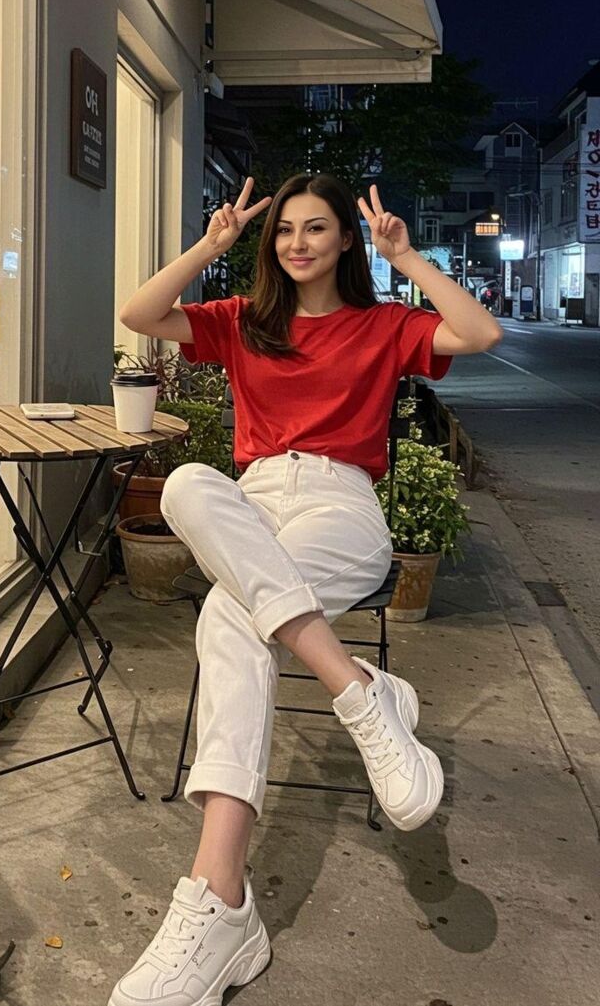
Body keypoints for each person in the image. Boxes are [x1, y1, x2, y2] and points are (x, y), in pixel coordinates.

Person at [109, 174, 503, 1006]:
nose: (297, 242)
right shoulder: (245, 321)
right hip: (252, 504)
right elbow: (139, 313)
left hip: (340, 505)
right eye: (285, 228)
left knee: (231, 614)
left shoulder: (382, 323)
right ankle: (357, 689)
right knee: (186, 485)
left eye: (316, 227)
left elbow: (481, 331)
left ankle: (219, 905)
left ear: (346, 240)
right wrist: (211, 245)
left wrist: (408, 258)